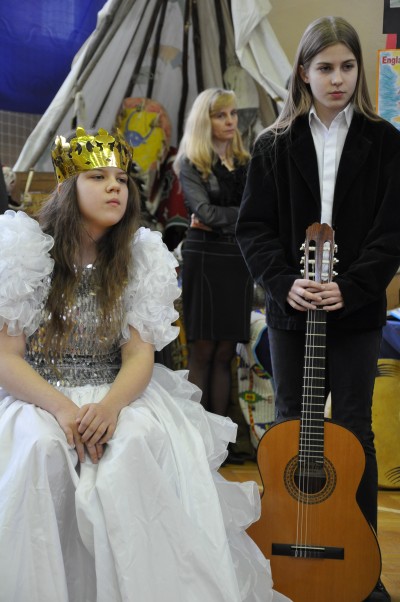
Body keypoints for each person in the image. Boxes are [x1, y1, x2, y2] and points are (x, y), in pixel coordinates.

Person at [0, 127, 291, 602]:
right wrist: (63, 409)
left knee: (133, 446)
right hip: (39, 393)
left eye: (121, 178)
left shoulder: (140, 257)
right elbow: (5, 357)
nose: (115, 187)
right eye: (98, 177)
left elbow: (139, 354)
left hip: (116, 391)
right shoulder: (24, 252)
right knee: (41, 449)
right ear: (68, 187)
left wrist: (111, 407)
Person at [236, 16, 400, 602]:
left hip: (355, 312)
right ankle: (285, 558)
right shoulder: (273, 144)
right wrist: (284, 284)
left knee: (355, 430)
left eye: (347, 66)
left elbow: (391, 232)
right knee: (289, 427)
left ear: (359, 71)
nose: (337, 78)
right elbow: (252, 228)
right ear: (303, 72)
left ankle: (363, 567)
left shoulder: (386, 143)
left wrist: (352, 287)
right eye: (325, 67)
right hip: (291, 311)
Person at [174, 88, 253, 421]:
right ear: (204, 121)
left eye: (233, 113)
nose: (230, 121)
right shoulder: (191, 162)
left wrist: (225, 218)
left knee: (225, 354)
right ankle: (196, 438)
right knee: (203, 350)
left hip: (238, 259)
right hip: (204, 258)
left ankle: (221, 442)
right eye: (221, 115)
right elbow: (203, 212)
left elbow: (260, 210)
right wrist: (241, 215)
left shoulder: (246, 161)